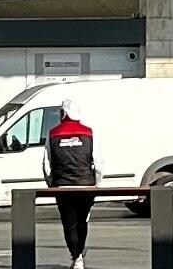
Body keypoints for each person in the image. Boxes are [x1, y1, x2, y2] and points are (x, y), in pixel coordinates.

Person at [45, 99, 100, 269]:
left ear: (63, 113)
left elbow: (46, 164)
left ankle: (76, 255)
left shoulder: (53, 133)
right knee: (82, 220)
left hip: (63, 186)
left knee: (69, 222)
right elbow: (98, 162)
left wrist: (51, 184)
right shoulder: (89, 133)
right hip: (86, 185)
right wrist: (96, 183)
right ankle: (79, 255)